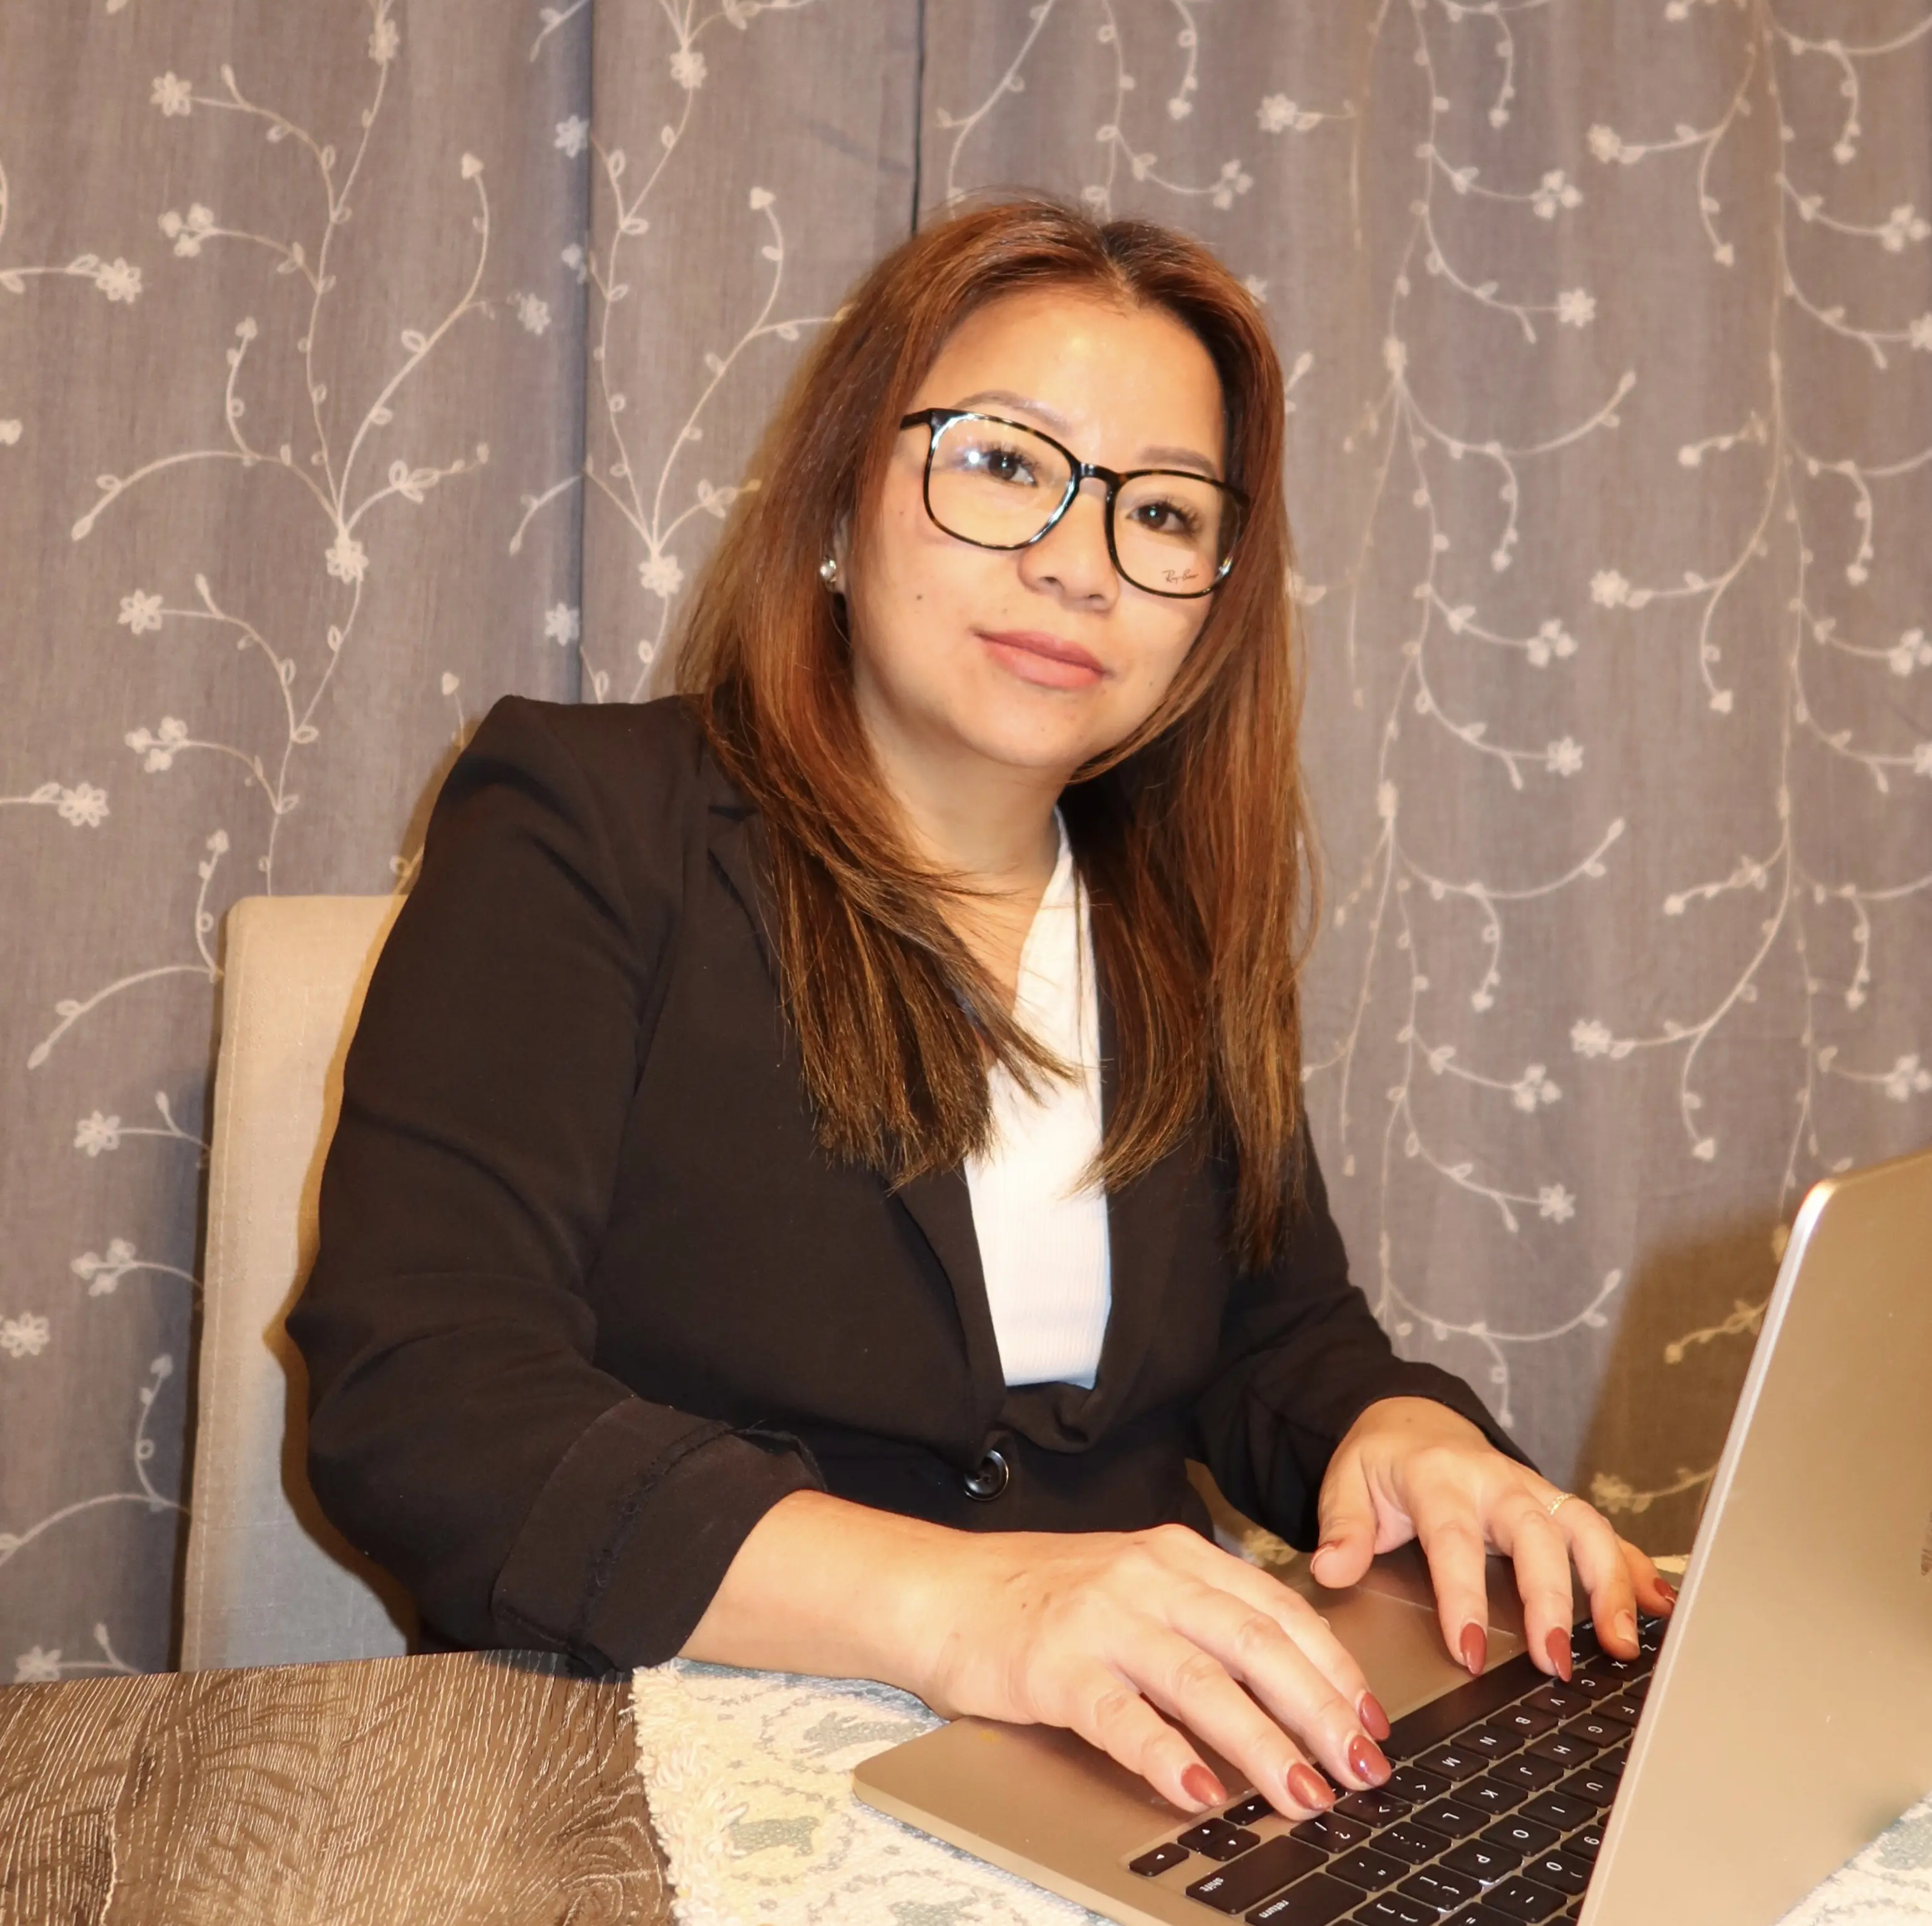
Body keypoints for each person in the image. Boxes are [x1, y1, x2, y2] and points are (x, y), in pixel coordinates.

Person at [288, 197, 1672, 1827]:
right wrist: (970, 1607)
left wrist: (1407, 1435)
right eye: (1006, 462)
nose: (1078, 562)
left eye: (1164, 511)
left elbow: (1275, 1338)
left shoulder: (1172, 916)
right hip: (659, 1767)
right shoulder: (589, 822)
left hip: (1128, 1772)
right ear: (839, 501)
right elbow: (424, 1394)